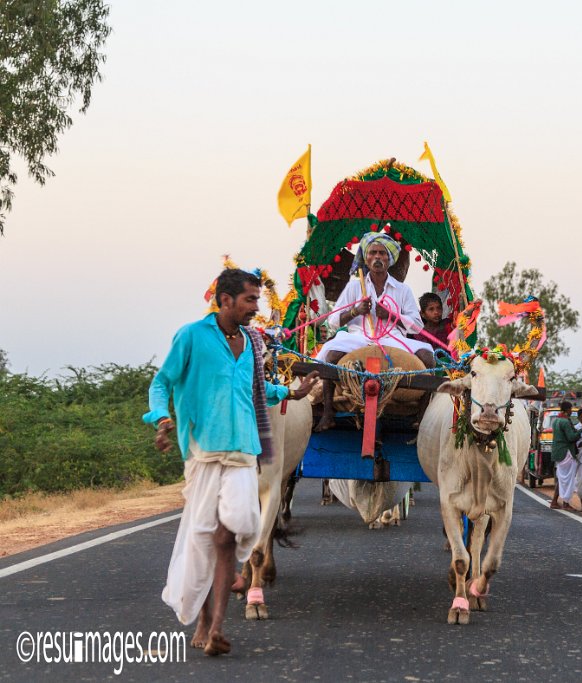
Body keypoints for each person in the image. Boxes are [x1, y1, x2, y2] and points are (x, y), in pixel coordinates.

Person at [144, 268, 319, 656]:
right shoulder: (191, 336)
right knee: (209, 540)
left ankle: (218, 616)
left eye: (257, 299)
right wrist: (160, 418)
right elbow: (162, 382)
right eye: (249, 300)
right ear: (225, 301)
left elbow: (258, 388)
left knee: (240, 527)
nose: (256, 308)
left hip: (244, 453)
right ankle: (212, 625)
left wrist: (293, 390)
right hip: (204, 454)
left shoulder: (253, 342)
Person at [315, 231, 436, 431]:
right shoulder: (355, 286)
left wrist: (389, 315)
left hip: (393, 339)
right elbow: (334, 321)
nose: (377, 257)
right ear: (366, 259)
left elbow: (417, 325)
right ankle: (328, 414)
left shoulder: (402, 290)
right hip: (359, 338)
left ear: (389, 259)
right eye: (372, 253)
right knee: (331, 355)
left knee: (428, 357)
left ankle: (422, 417)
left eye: (382, 253)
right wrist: (355, 311)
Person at [549, 401, 582, 510]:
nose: (571, 410)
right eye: (570, 409)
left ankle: (554, 501)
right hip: (566, 453)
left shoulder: (556, 421)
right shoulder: (565, 422)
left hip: (558, 453)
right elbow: (571, 437)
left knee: (562, 478)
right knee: (568, 480)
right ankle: (566, 503)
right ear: (567, 410)